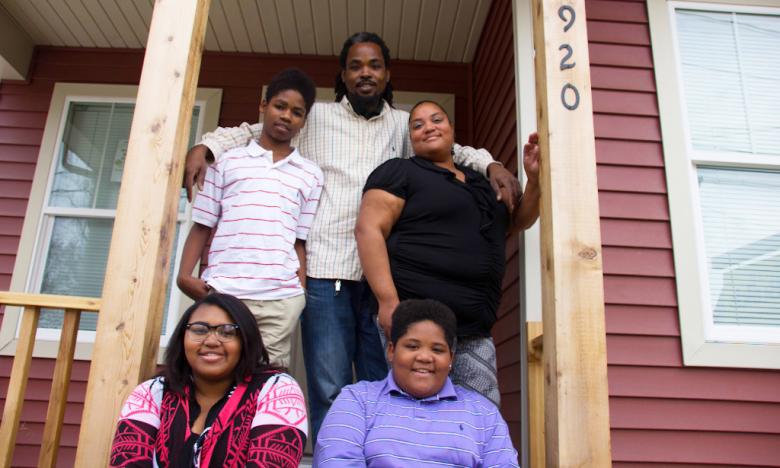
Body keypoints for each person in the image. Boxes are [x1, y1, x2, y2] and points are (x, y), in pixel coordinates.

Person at [182, 32, 522, 442]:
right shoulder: (316, 118)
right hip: (328, 273)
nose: (365, 73)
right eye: (356, 66)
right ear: (343, 75)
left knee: (386, 383)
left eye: (374, 66)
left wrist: (492, 165)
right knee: (330, 386)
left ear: (386, 74)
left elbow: (454, 148)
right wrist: (205, 146)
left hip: (389, 279)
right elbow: (254, 130)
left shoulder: (402, 125)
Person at [355, 100, 541, 405]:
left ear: (451, 129)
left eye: (436, 119)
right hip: (417, 326)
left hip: (474, 330)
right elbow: (368, 230)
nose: (428, 127)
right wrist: (388, 302)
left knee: (479, 416)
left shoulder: (482, 182)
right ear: (411, 138)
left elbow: (518, 221)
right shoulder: (399, 171)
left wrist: (532, 180)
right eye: (417, 125)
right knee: (417, 416)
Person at [176, 68, 323, 370]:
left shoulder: (310, 174)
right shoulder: (226, 162)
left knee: (267, 378)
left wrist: (301, 290)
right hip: (227, 292)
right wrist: (184, 275)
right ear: (263, 106)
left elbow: (298, 238)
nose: (286, 116)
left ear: (303, 122)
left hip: (280, 299)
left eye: (296, 112)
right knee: (218, 373)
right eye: (280, 106)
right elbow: (202, 224)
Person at [110, 293, 308, 467]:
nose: (211, 341)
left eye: (227, 331)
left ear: (246, 340)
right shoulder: (152, 393)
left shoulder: (277, 391)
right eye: (199, 330)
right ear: (182, 338)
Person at [314, 299, 519, 466]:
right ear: (392, 351)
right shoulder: (357, 400)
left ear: (451, 359)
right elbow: (335, 461)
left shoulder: (483, 413)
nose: (424, 357)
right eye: (412, 346)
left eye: (437, 350)